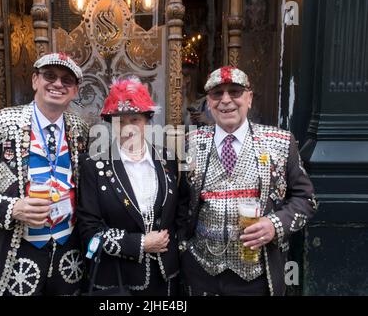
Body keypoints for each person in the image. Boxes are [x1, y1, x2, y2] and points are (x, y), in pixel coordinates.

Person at [0, 52, 89, 296]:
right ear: (34, 81)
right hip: (14, 248)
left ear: (75, 90)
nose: (58, 84)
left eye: (66, 80)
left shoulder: (80, 128)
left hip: (69, 249)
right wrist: (12, 208)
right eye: (49, 76)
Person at [178, 66, 318, 296]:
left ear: (249, 98)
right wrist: (184, 249)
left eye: (235, 91)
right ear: (209, 102)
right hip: (201, 271)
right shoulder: (191, 142)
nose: (226, 100)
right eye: (217, 93)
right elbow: (183, 202)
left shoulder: (280, 142)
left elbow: (307, 199)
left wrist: (276, 224)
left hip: (257, 276)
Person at [77, 77, 180, 296]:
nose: (127, 129)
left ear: (147, 120)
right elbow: (89, 231)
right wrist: (140, 243)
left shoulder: (168, 158)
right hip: (117, 282)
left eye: (135, 119)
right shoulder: (93, 166)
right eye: (119, 122)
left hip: (166, 280)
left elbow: (179, 214)